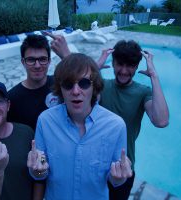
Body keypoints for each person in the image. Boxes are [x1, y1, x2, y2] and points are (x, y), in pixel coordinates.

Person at [27, 53, 133, 200]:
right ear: (60, 88)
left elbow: (114, 179)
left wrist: (119, 177)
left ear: (94, 86)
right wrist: (38, 169)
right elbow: (42, 166)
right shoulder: (46, 121)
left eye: (83, 83)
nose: (76, 91)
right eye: (68, 84)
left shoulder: (115, 126)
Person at [97, 40, 169, 199]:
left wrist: (154, 76)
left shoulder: (143, 92)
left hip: (124, 166)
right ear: (113, 63)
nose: (123, 71)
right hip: (95, 162)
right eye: (119, 64)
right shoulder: (101, 86)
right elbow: (77, 93)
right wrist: (94, 69)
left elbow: (161, 121)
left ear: (136, 67)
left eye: (130, 65)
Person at [7, 33, 70, 130]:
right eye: (31, 60)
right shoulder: (12, 98)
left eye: (42, 59)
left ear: (49, 61)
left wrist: (67, 56)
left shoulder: (60, 84)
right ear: (23, 62)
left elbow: (86, 85)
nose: (37, 65)